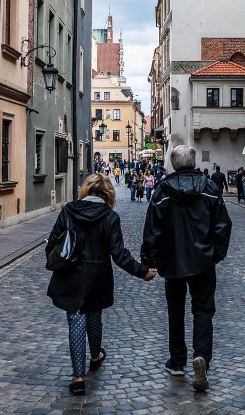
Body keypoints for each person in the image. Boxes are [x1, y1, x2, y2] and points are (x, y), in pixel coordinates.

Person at [46, 174, 157, 396]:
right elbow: (119, 254)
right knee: (94, 315)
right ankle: (95, 355)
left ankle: (78, 378)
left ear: (85, 191)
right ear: (107, 194)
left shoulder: (69, 211)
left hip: (71, 276)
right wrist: (142, 271)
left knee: (76, 321)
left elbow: (53, 242)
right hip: (97, 277)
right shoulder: (110, 217)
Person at [141, 145, 232, 392]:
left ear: (173, 163)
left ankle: (178, 361)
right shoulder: (210, 189)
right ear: (193, 163)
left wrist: (149, 260)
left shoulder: (162, 191)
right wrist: (216, 255)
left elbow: (152, 229)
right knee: (203, 311)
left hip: (172, 262)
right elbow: (223, 225)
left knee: (176, 312)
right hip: (203, 262)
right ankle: (201, 356)